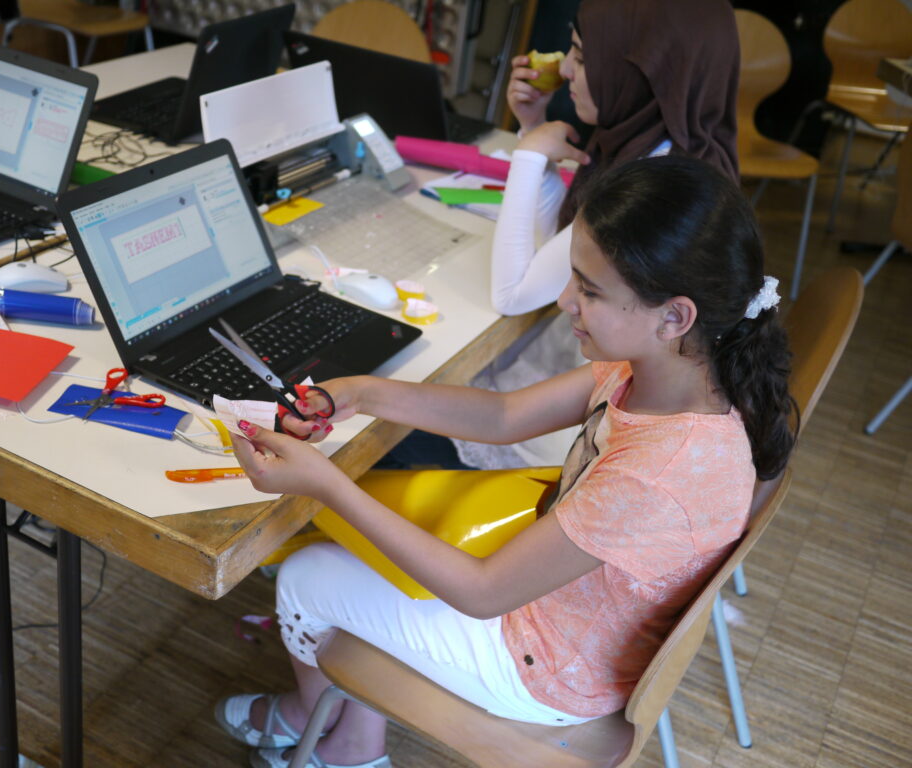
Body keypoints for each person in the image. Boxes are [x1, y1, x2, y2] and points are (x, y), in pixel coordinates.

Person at [216, 156, 796, 768]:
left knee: (306, 575)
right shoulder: (675, 370)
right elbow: (504, 416)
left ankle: (337, 742)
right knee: (372, 543)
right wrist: (365, 393)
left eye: (590, 291)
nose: (566, 301)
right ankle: (337, 729)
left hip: (546, 669)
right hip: (566, 614)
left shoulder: (658, 470)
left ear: (675, 316)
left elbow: (483, 592)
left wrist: (326, 484)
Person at [454, 0, 741, 470]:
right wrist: (533, 128)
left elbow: (513, 294)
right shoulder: (669, 144)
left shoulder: (652, 183)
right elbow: (561, 246)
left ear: (642, 74)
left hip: (544, 433)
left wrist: (528, 156)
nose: (566, 69)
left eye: (584, 57)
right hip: (553, 395)